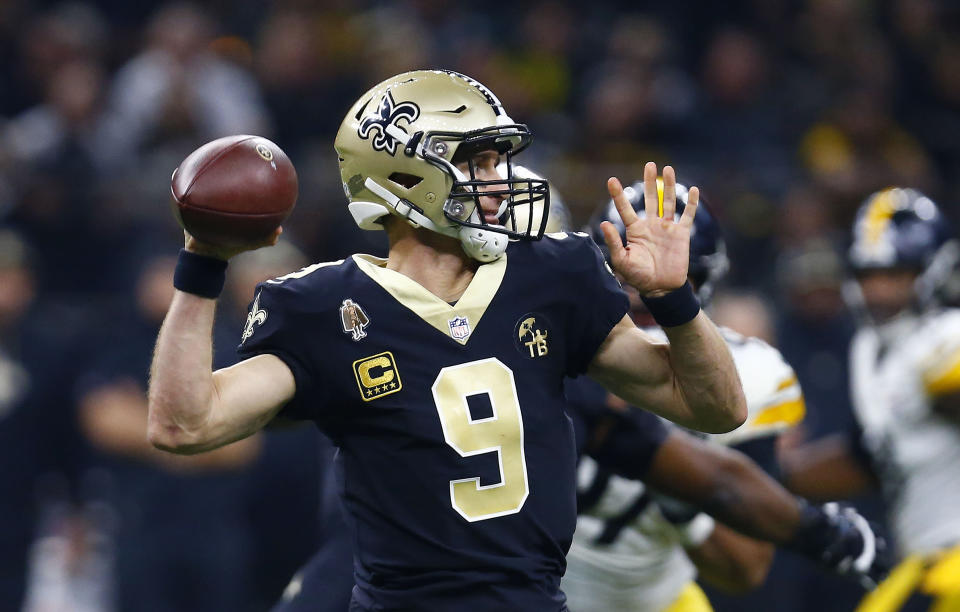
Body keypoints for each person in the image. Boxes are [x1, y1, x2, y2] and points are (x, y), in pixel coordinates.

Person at [146, 69, 747, 611]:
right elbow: (185, 425)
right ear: (403, 173)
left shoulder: (552, 274)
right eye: (476, 162)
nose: (498, 180)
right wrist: (203, 264)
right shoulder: (326, 306)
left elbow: (715, 408)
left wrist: (675, 301)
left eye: (497, 162)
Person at [562, 178, 884, 611]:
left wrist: (678, 496)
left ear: (705, 281)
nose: (642, 290)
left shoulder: (745, 374)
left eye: (675, 274)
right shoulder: (548, 348)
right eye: (624, 270)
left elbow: (745, 566)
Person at [781, 187, 960, 611]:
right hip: (923, 556)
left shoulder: (945, 336)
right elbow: (870, 457)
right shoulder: (868, 349)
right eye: (869, 276)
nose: (879, 292)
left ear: (932, 271)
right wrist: (766, 475)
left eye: (895, 276)